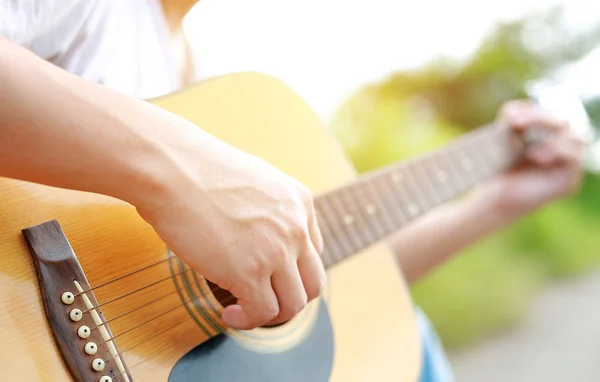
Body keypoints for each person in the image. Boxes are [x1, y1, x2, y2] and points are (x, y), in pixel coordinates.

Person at [0, 1, 585, 381]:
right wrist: (178, 171)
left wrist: (499, 201)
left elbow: (331, 290)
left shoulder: (189, 68)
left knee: (405, 344)